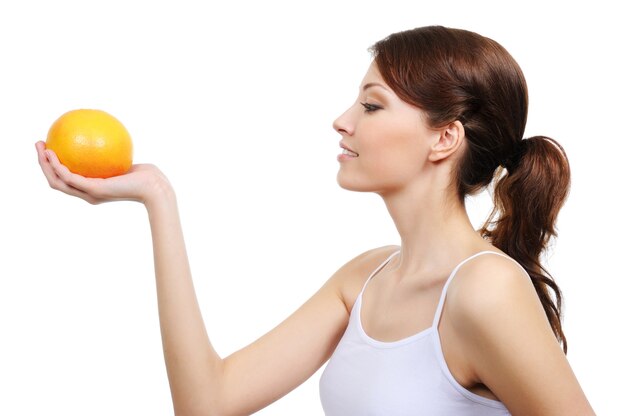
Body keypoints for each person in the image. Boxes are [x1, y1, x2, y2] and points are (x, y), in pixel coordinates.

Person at [36, 25, 595, 415]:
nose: (342, 121)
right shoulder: (367, 278)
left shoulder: (486, 288)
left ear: (444, 137)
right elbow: (208, 403)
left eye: (372, 105)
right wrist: (157, 198)